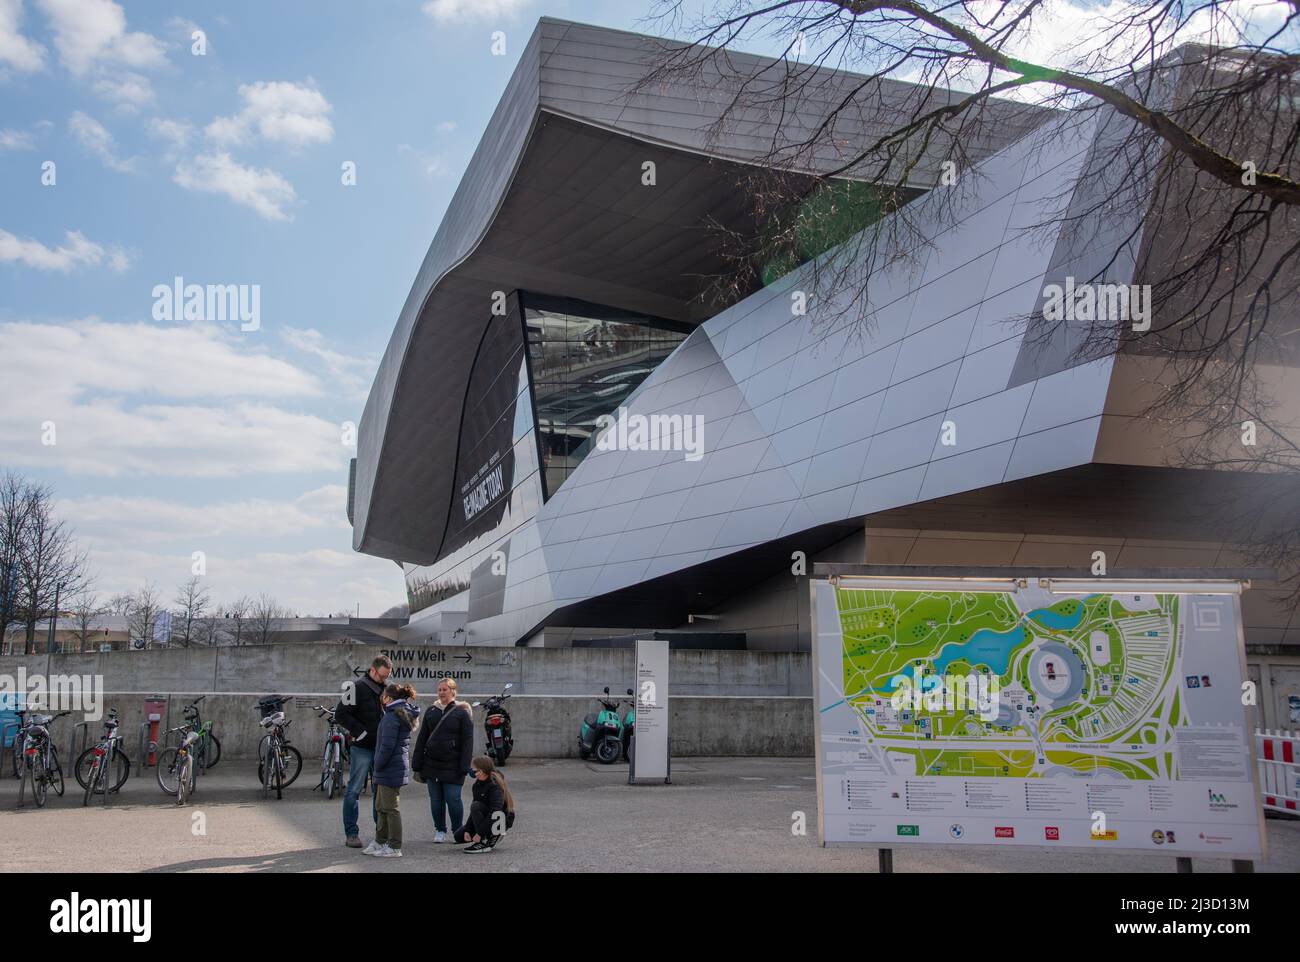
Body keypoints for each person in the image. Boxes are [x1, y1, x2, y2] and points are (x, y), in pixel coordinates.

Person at [335, 654, 391, 848]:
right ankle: (351, 834)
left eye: (387, 676)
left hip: (380, 749)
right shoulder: (355, 688)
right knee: (354, 790)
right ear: (372, 670)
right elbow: (340, 714)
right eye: (382, 676)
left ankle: (381, 834)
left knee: (380, 792)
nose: (384, 679)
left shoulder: (386, 689)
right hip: (361, 748)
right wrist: (361, 733)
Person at [411, 676, 473, 843]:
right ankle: (439, 829)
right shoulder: (431, 711)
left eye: (445, 689)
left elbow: (468, 741)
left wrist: (465, 765)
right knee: (436, 801)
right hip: (432, 765)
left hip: (453, 765)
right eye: (439, 689)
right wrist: (416, 763)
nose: (442, 692)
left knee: (453, 799)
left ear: (453, 691)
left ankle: (458, 830)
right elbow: (422, 738)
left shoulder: (462, 711)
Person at [366, 683, 420, 859]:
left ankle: (395, 846)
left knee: (390, 808)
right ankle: (380, 841)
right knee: (381, 806)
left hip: (389, 767)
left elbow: (387, 747)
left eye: (383, 696)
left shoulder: (392, 716)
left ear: (388, 698)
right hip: (390, 767)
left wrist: (377, 765)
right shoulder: (395, 713)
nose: (381, 698)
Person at [459, 755, 514, 854]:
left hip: (499, 821)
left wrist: (480, 834)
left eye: (475, 771)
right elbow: (474, 811)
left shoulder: (494, 785)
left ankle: (486, 841)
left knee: (476, 806)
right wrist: (468, 829)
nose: (473, 773)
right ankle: (486, 836)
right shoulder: (477, 785)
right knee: (458, 836)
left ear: (483, 770)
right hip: (487, 818)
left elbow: (496, 811)